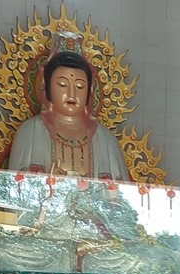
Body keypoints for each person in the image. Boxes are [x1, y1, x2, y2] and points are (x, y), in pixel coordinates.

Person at [7, 50, 127, 181]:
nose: (71, 93)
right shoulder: (30, 131)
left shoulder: (106, 139)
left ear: (89, 92)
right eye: (62, 85)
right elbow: (16, 190)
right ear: (47, 88)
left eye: (80, 86)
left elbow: (123, 196)